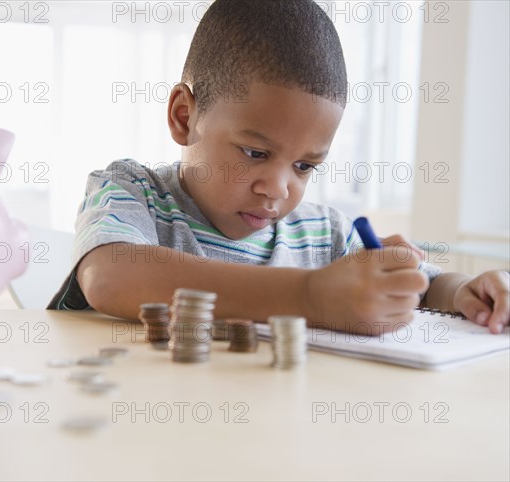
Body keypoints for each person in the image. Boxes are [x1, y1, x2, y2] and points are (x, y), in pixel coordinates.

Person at [48, 0, 509, 335]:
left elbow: (423, 288)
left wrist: (467, 289)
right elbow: (109, 277)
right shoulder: (132, 191)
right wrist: (310, 297)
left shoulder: (324, 234)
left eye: (305, 166)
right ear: (184, 117)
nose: (278, 189)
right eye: (254, 153)